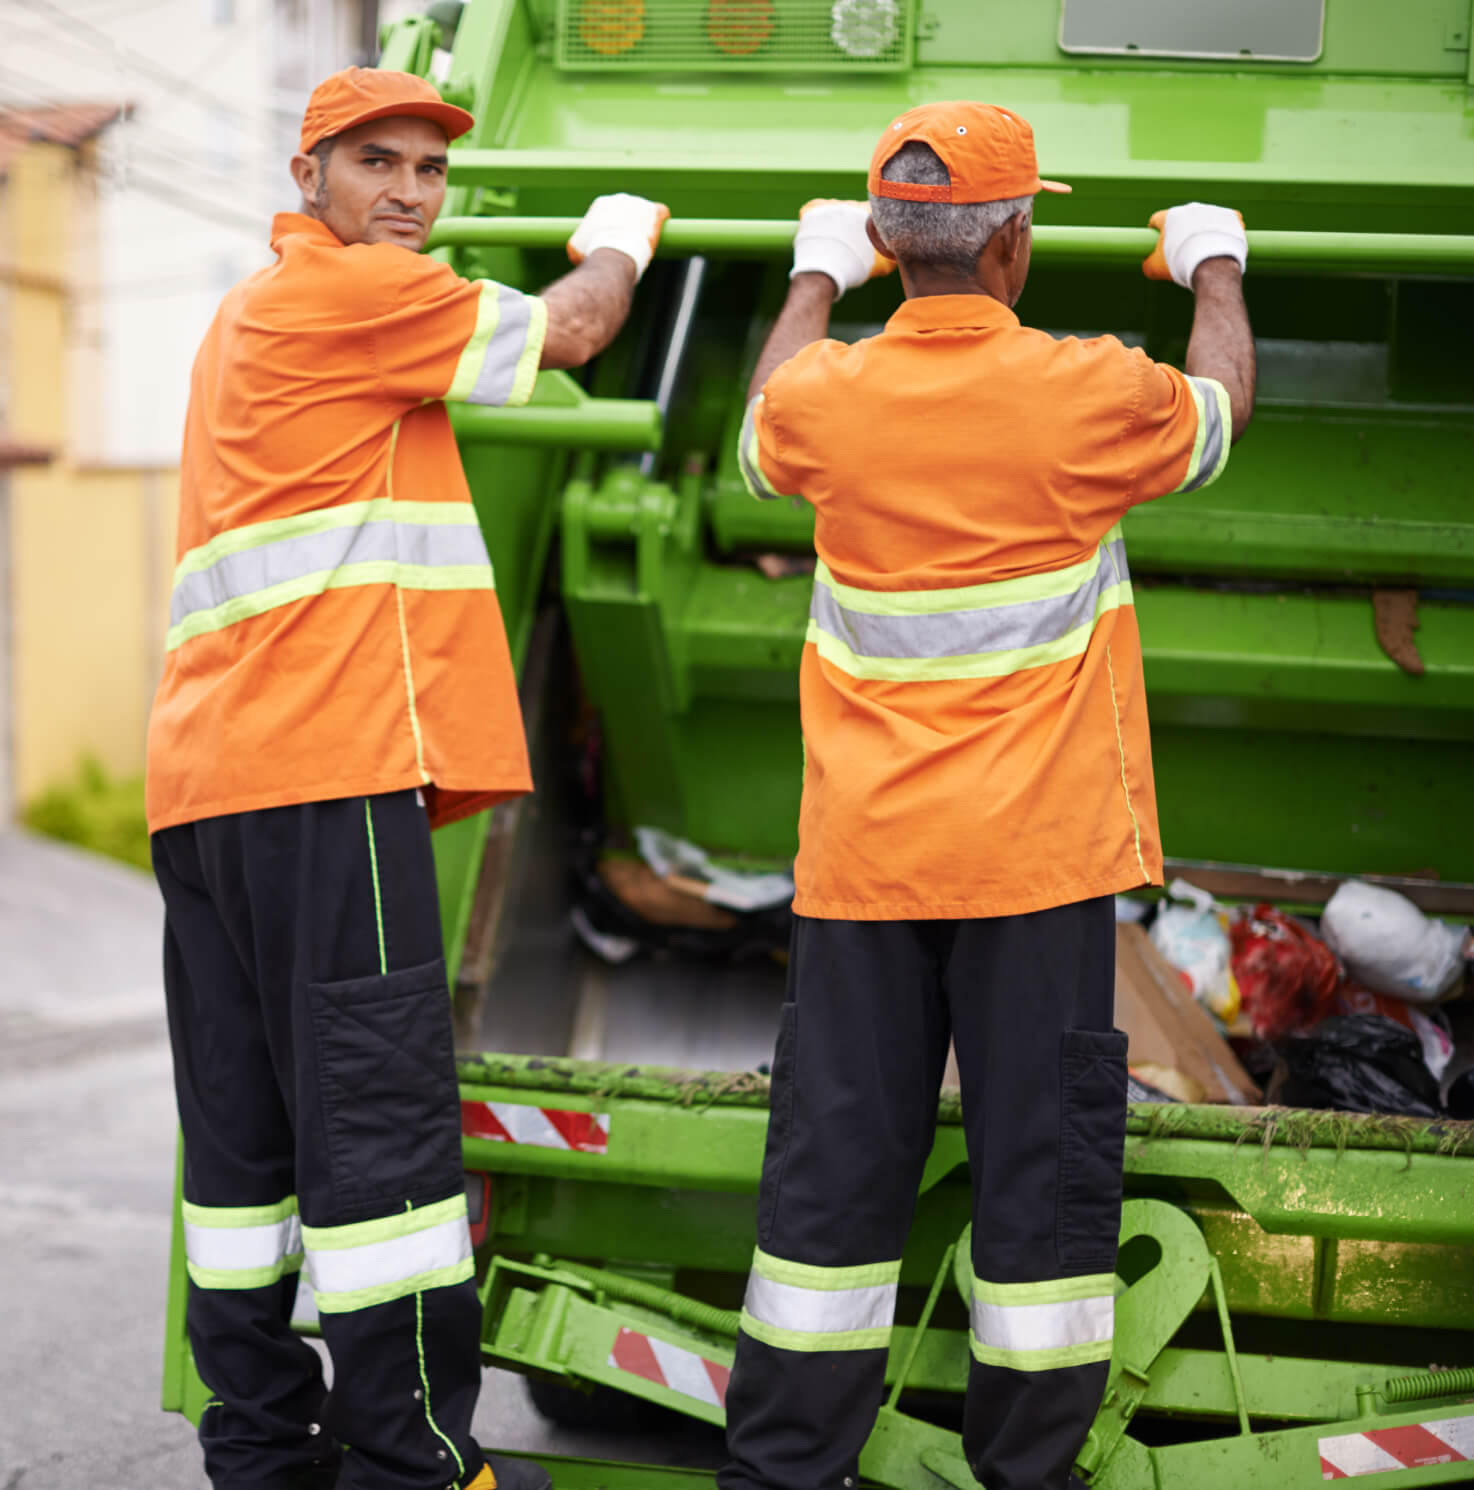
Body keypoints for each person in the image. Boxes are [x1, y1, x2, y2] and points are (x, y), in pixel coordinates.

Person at [145, 66, 667, 1490]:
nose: (411, 194)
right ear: (306, 176)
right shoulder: (347, 295)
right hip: (327, 769)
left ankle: (259, 1449)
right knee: (378, 1140)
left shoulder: (250, 319)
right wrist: (620, 231)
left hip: (211, 788)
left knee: (244, 1144)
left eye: (430, 171)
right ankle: (415, 1460)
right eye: (376, 162)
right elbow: (571, 330)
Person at [719, 101, 1254, 1490]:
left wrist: (812, 276)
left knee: (828, 1191)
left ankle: (780, 1468)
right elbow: (1220, 414)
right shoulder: (1087, 392)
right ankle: (1025, 1472)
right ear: (1012, 239)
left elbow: (762, 417)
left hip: (859, 875)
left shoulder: (822, 401)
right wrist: (1212, 266)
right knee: (1040, 1190)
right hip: (1034, 875)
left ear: (893, 242)